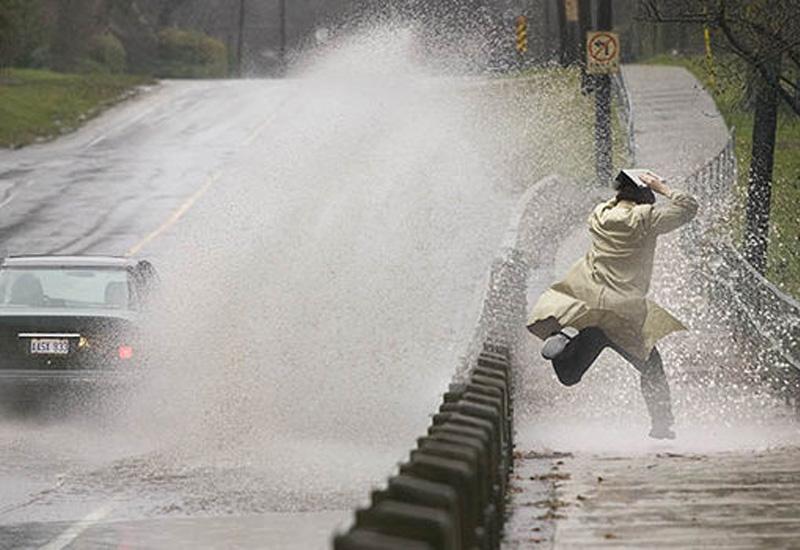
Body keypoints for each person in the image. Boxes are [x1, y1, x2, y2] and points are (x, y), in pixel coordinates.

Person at [527, 171, 698, 440]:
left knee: (570, 376)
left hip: (589, 309)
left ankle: (564, 344)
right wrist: (661, 187)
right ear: (645, 193)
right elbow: (688, 207)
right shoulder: (646, 219)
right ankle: (661, 424)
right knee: (651, 365)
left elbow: (618, 201)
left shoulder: (600, 214)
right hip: (622, 313)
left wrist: (630, 184)